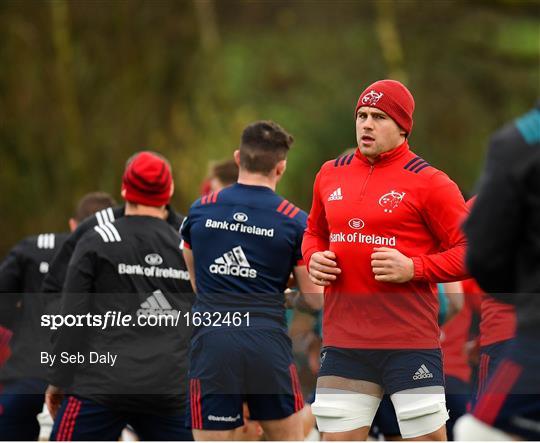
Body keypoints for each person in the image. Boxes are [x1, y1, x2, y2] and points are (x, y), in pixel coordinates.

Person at [302, 79, 469, 440]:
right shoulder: (331, 173)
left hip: (408, 344)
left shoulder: (432, 183)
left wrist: (415, 267)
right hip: (344, 343)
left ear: (403, 127)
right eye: (361, 115)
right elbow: (313, 232)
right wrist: (313, 257)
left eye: (378, 116)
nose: (366, 123)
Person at [181, 120, 323, 440]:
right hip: (265, 343)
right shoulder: (295, 220)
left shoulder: (201, 210)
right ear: (281, 168)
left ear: (237, 158)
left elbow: (194, 278)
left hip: (213, 341)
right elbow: (315, 298)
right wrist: (288, 294)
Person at [45, 152, 194, 440]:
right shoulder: (189, 243)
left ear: (124, 190)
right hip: (170, 391)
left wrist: (58, 380)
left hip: (100, 387)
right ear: (170, 190)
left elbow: (71, 319)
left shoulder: (97, 238)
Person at [0, 192, 116, 441]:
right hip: (86, 387)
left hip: (25, 376)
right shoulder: (119, 257)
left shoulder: (30, 248)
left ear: (74, 225)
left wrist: (19, 323)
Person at [456, 103, 540, 440]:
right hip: (501, 334)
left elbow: (483, 261)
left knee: (477, 433)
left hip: (523, 336)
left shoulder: (519, 141)